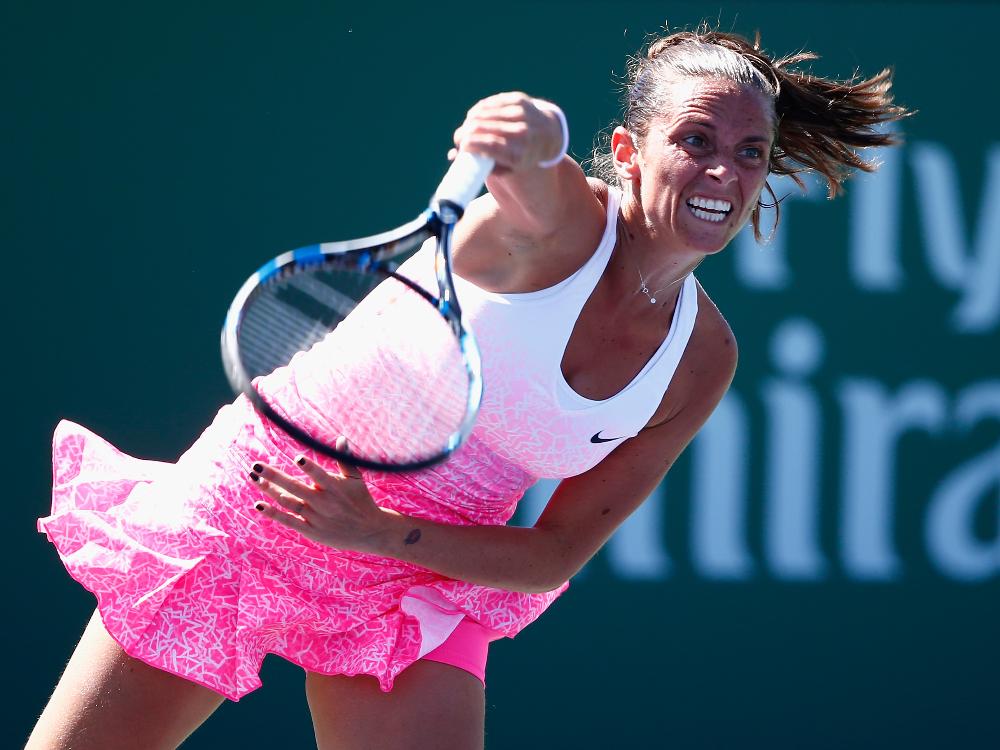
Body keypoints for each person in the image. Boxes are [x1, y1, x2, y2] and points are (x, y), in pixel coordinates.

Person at [28, 26, 911, 750]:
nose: (724, 173)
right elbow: (534, 161)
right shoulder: (559, 228)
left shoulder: (701, 359)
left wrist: (380, 534)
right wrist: (527, 127)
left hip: (418, 569)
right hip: (269, 498)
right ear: (626, 152)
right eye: (695, 142)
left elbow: (557, 553)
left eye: (749, 153)